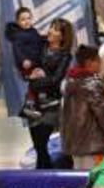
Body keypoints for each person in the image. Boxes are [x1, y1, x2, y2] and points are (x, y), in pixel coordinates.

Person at [25, 17, 74, 169]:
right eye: (51, 27)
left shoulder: (65, 56)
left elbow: (55, 80)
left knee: (42, 142)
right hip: (32, 102)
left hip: (51, 104)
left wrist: (35, 82)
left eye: (56, 28)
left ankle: (45, 177)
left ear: (63, 36)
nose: (50, 31)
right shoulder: (40, 47)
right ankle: (42, 178)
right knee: (38, 146)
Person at [60, 45, 104, 170]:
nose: (101, 64)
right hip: (92, 143)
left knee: (79, 176)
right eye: (98, 60)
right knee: (93, 178)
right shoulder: (91, 84)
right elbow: (101, 112)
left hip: (74, 142)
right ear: (89, 62)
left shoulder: (69, 82)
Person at [4, 7, 44, 81]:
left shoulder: (33, 31)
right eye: (23, 20)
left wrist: (45, 38)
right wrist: (23, 60)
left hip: (37, 61)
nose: (26, 21)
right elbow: (17, 49)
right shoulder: (18, 35)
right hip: (28, 64)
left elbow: (39, 42)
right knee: (36, 81)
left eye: (29, 18)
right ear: (18, 22)